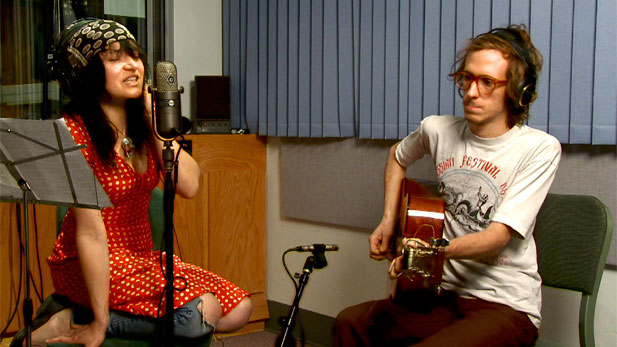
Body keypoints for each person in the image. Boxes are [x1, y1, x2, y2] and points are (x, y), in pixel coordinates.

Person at [11, 18, 252, 347]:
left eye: (134, 56)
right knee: (202, 313)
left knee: (240, 309)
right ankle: (81, 319)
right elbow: (90, 233)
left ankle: (75, 318)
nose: (132, 65)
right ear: (86, 72)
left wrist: (156, 123)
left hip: (141, 257)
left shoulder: (144, 128)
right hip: (91, 260)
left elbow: (190, 186)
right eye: (114, 58)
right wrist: (100, 319)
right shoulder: (74, 132)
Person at [333, 24, 561, 346]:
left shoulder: (539, 148)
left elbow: (496, 238)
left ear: (518, 91)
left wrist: (425, 255)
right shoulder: (437, 129)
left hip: (505, 305)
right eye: (466, 78)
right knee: (350, 323)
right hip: (441, 295)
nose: (470, 92)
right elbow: (397, 158)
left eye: (487, 82)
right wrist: (387, 222)